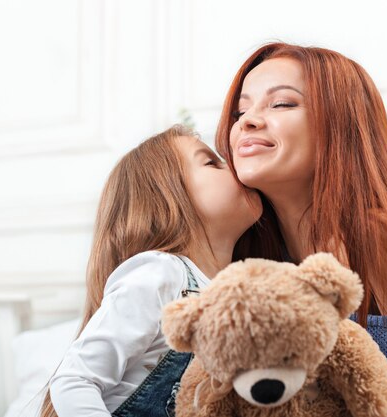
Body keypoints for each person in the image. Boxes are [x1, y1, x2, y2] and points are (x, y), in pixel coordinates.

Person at [215, 42, 387, 416]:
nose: (248, 121)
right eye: (241, 110)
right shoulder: (260, 259)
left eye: (282, 104)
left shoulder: (376, 236)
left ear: (339, 125)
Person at [39, 125, 262, 417]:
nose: (232, 165)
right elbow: (74, 380)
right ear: (167, 199)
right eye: (211, 162)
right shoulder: (160, 274)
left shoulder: (237, 294)